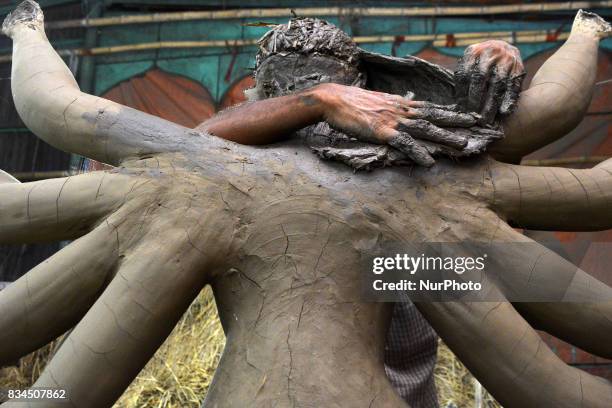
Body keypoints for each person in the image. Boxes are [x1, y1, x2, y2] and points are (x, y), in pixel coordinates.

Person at [195, 18, 524, 408]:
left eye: (322, 83)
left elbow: (490, 209)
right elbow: (194, 143)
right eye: (279, 93)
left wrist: (500, 63)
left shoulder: (402, 172)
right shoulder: (249, 176)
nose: (305, 121)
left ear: (364, 95)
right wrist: (318, 100)